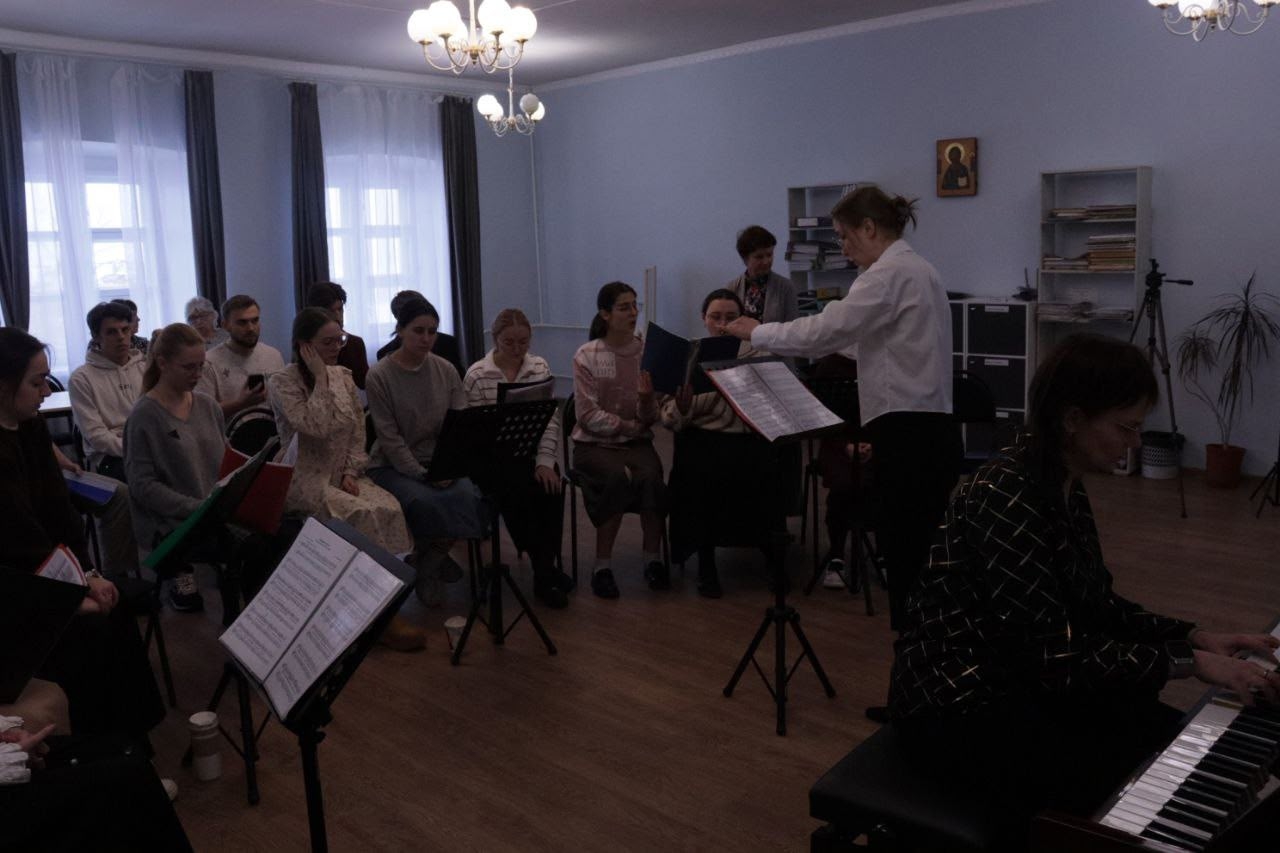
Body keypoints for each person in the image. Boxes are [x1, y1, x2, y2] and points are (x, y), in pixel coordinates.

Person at [887, 334, 1280, 850]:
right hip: (958, 705)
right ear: (1073, 419)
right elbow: (1054, 657)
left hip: (1019, 678)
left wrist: (1196, 637)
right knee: (1146, 768)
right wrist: (1191, 662)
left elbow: (1099, 606)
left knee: (1170, 739)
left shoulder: (1061, 482)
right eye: (1126, 427)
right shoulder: (1005, 494)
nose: (1134, 443)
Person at [726, 186, 960, 633]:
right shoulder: (919, 269)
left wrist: (758, 332)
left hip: (907, 432)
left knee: (908, 563)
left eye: (844, 236)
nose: (843, 248)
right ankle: (920, 661)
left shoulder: (885, 275)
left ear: (869, 228)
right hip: (930, 430)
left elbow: (825, 331)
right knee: (917, 561)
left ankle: (914, 666)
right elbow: (864, 343)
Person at [0, 327, 166, 745]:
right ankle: (99, 749)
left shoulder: (30, 427)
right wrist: (71, 595)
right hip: (15, 591)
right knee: (89, 635)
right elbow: (18, 539)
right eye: (37, 382)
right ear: (3, 386)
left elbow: (59, 513)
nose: (46, 391)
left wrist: (90, 573)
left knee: (115, 608)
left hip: (49, 573)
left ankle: (135, 743)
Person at [268, 308, 424, 650]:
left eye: (338, 340)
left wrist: (351, 471)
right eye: (327, 342)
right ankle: (369, 613)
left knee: (388, 507)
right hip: (304, 477)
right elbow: (314, 426)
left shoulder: (344, 376)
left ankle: (382, 603)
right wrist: (320, 380)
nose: (336, 347)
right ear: (304, 346)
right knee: (357, 514)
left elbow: (357, 430)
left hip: (342, 473)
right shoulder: (282, 382)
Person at [659, 288, 786, 598]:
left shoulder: (757, 353)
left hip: (748, 437)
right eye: (715, 317)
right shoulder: (690, 355)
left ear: (743, 319)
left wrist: (708, 398)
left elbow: (765, 403)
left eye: (730, 317)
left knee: (766, 467)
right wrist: (687, 406)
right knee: (700, 468)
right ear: (704, 319)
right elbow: (670, 417)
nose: (722, 324)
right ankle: (706, 563)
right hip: (705, 438)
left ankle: (773, 554)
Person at [367, 297, 486, 608]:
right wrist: (423, 474)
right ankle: (432, 557)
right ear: (400, 331)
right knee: (424, 500)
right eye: (418, 331)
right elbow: (390, 440)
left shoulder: (445, 370)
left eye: (432, 331)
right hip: (393, 465)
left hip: (440, 461)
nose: (426, 338)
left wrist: (447, 467)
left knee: (469, 496)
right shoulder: (379, 375)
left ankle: (429, 562)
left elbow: (459, 425)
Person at [462, 309, 572, 610]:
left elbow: (549, 419)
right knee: (518, 489)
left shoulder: (538, 367)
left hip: (529, 453)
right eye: (509, 342)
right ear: (495, 339)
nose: (517, 349)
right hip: (492, 460)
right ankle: (544, 572)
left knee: (550, 486)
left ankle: (544, 564)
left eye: (523, 342)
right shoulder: (477, 375)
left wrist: (545, 461)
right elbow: (474, 430)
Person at [571, 281, 667, 600]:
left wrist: (646, 401)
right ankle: (602, 567)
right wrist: (630, 426)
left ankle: (653, 560)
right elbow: (587, 415)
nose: (633, 312)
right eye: (624, 307)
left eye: (634, 305)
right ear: (605, 314)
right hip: (593, 443)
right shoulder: (587, 355)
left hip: (635, 440)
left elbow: (650, 415)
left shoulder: (646, 352)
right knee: (614, 478)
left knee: (652, 478)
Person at [124, 323, 227, 613]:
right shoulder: (145, 415)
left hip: (207, 511)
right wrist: (195, 508)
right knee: (241, 547)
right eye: (188, 367)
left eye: (201, 366)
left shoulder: (207, 406)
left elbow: (224, 460)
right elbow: (143, 486)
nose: (197, 374)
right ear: (162, 363)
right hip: (172, 521)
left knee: (270, 539)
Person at [69, 301, 146, 478]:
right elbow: (96, 436)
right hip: (111, 457)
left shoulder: (145, 369)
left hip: (148, 446)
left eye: (125, 330)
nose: (121, 337)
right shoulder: (81, 378)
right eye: (111, 332)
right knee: (149, 478)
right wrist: (137, 449)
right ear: (96, 336)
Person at [201, 294, 285, 421]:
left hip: (273, 430)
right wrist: (240, 404)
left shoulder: (274, 356)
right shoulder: (208, 362)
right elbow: (203, 414)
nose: (251, 328)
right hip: (231, 432)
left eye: (255, 320)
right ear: (225, 325)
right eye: (242, 322)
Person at [374, 290, 466, 378]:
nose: (426, 339)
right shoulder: (384, 354)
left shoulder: (447, 343)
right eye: (418, 330)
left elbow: (459, 380)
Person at [725, 225, 799, 324]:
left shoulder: (786, 287)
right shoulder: (732, 288)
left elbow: (792, 327)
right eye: (759, 257)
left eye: (769, 255)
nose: (766, 261)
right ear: (745, 259)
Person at [305, 281, 369, 390]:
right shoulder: (308, 345)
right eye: (330, 311)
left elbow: (364, 387)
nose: (337, 316)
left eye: (340, 309)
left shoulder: (355, 344)